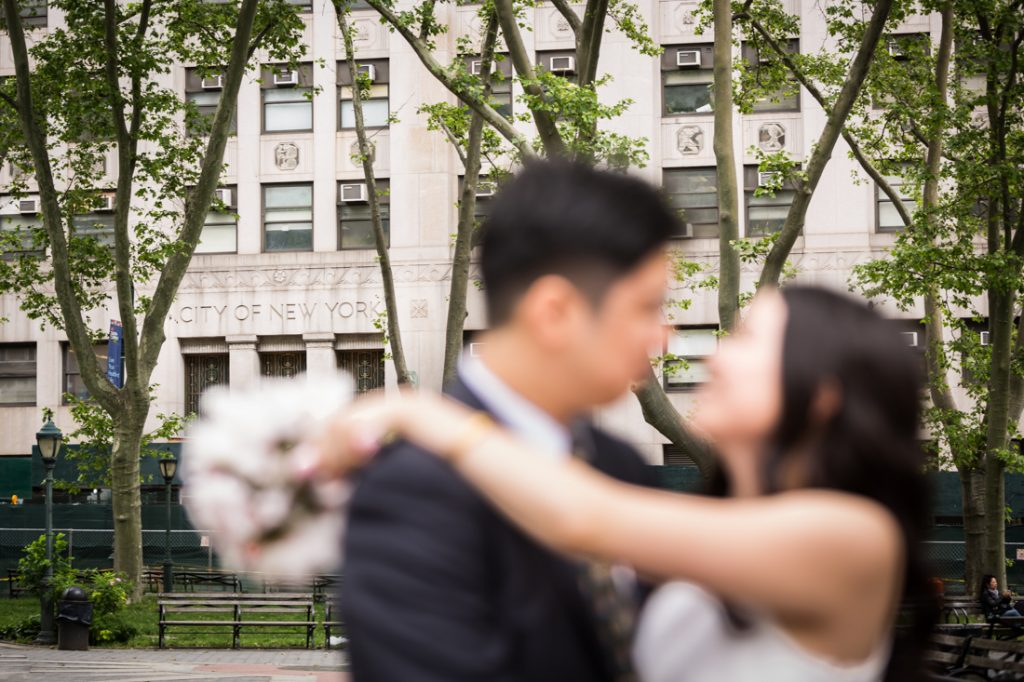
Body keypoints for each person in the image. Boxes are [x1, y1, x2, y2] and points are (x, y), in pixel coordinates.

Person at [317, 286, 939, 682]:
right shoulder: (710, 532)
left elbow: (584, 519)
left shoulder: (853, 534)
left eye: (748, 339)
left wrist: (420, 413)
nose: (717, 357)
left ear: (823, 394)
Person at [336, 160, 678, 682]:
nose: (662, 336)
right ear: (555, 312)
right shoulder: (413, 484)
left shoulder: (620, 463)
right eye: (647, 308)